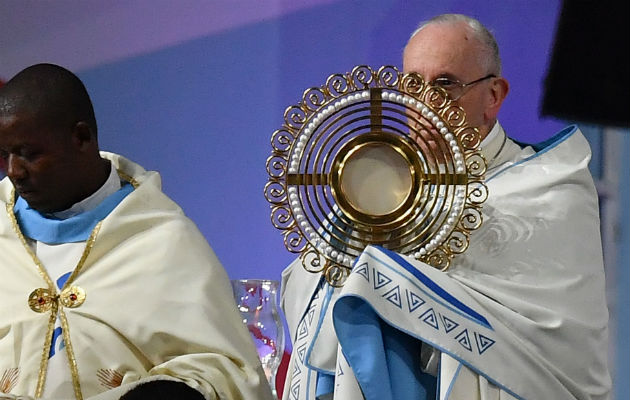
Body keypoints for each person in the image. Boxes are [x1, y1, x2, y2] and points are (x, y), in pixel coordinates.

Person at [279, 14, 611, 400]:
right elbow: (308, 288)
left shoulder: (550, 189)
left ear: (494, 95)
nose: (426, 103)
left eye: (445, 84)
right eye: (413, 85)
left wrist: (383, 278)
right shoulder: (377, 196)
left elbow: (560, 343)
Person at [0, 64, 274, 400]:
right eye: (4, 155)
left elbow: (231, 373)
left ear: (81, 138)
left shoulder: (162, 239)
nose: (14, 171)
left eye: (29, 154)